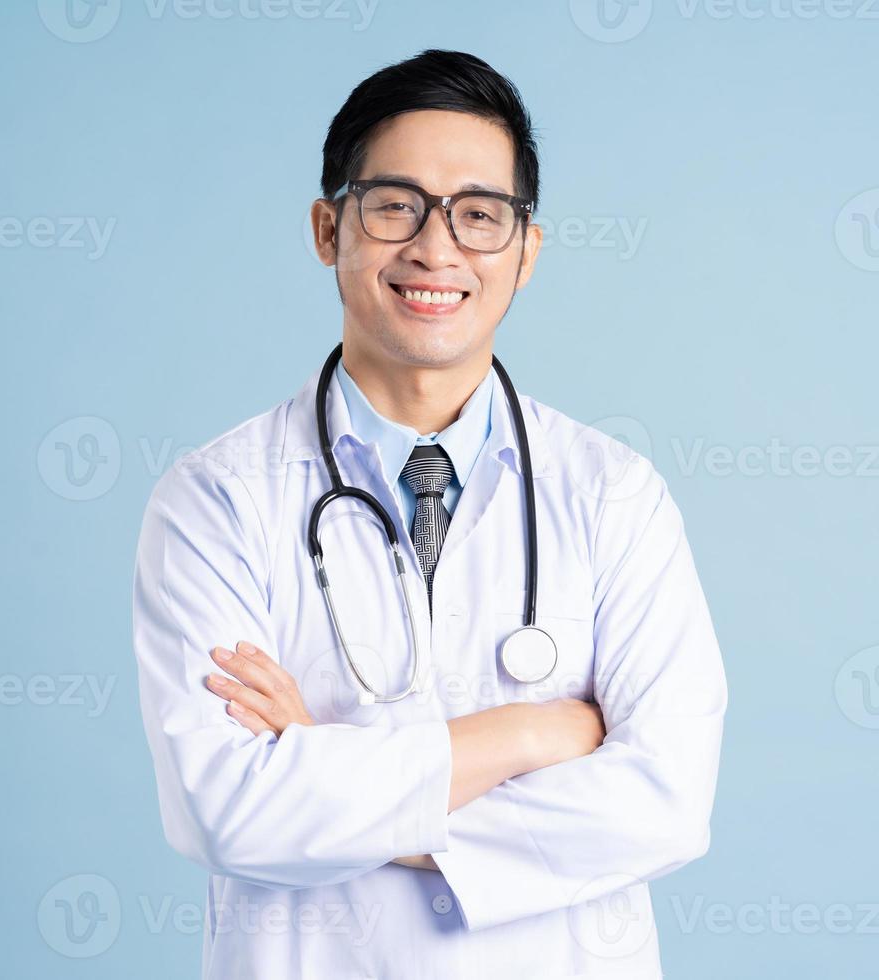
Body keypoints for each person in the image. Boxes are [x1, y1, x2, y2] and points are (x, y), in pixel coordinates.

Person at [132, 48, 727, 980]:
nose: (436, 248)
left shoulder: (614, 496)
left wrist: (328, 769)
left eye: (479, 215)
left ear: (525, 252)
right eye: (396, 205)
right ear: (329, 229)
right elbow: (229, 809)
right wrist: (527, 736)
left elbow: (666, 797)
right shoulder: (217, 501)